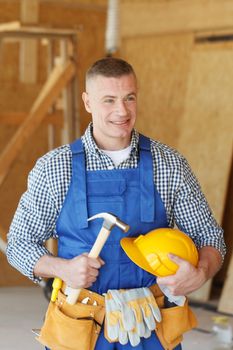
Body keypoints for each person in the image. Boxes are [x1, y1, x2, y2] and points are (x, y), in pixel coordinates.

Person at [7, 57, 225, 349]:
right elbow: (19, 243)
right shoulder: (55, 168)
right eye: (108, 100)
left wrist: (200, 274)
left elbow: (210, 238)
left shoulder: (169, 164)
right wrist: (62, 268)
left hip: (150, 324)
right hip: (80, 325)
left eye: (129, 98)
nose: (121, 111)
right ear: (87, 102)